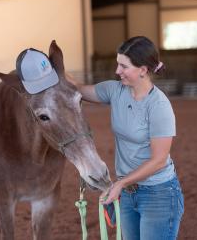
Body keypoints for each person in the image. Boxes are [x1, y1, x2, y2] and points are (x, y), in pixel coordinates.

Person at [67, 36, 184, 240]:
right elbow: (78, 88)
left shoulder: (159, 106)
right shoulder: (115, 90)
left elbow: (158, 160)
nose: (117, 71)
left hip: (159, 194)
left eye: (123, 66)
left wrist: (120, 184)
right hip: (128, 194)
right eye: (117, 64)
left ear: (143, 70)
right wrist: (53, 70)